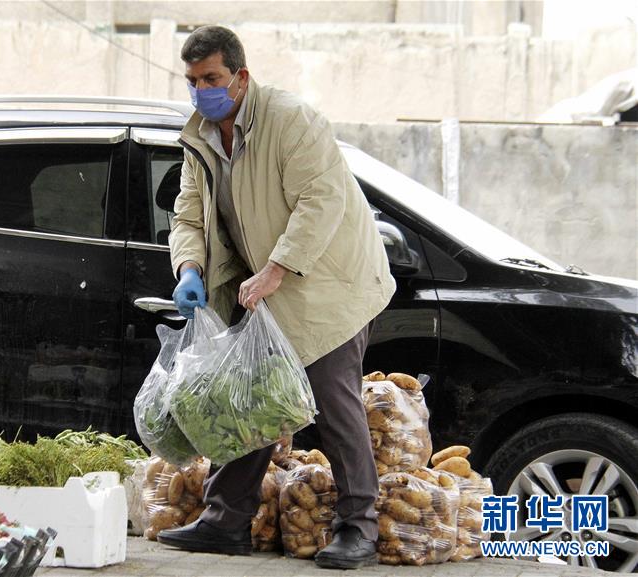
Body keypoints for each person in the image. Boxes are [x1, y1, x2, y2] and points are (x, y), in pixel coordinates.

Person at [157, 25, 396, 570]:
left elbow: (321, 201)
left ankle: (359, 529)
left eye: (212, 79)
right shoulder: (200, 137)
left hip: (327, 285)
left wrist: (276, 269)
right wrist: (189, 267)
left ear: (240, 77)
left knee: (333, 404)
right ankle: (225, 522)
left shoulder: (291, 120)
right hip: (262, 290)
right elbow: (187, 214)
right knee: (250, 402)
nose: (201, 90)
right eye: (193, 81)